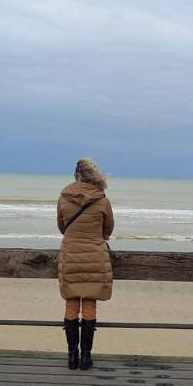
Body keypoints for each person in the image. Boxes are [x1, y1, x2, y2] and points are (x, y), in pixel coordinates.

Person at [57, 158, 114, 370]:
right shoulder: (102, 199)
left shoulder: (64, 198)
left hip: (71, 253)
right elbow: (108, 229)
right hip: (95, 255)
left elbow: (62, 227)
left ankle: (72, 356)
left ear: (76, 176)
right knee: (89, 302)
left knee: (71, 302)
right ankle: (87, 357)